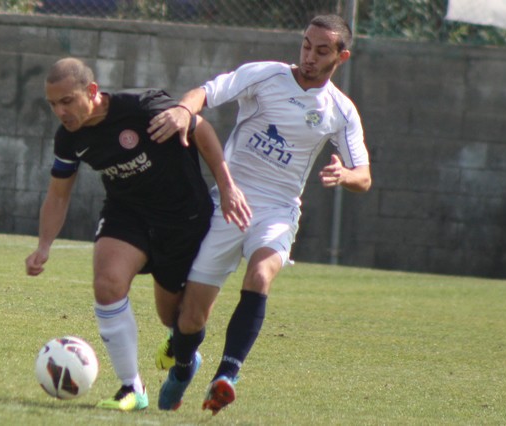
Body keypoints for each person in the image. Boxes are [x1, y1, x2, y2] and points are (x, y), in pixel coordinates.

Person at [147, 14, 372, 414]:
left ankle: (226, 376)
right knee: (190, 317)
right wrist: (183, 109)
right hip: (229, 201)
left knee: (261, 274)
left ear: (342, 57)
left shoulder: (341, 110)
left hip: (277, 211)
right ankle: (183, 368)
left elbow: (364, 176)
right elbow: (206, 92)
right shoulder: (265, 75)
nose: (309, 56)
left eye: (322, 51)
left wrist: (345, 175)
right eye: (306, 45)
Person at [25, 57, 250, 411]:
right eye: (53, 104)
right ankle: (132, 387)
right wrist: (44, 246)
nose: (60, 112)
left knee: (174, 319)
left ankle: (183, 354)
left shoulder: (142, 108)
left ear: (92, 91)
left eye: (67, 101)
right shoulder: (69, 138)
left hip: (181, 219)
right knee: (107, 283)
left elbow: (201, 129)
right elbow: (58, 194)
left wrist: (227, 187)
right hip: (127, 213)